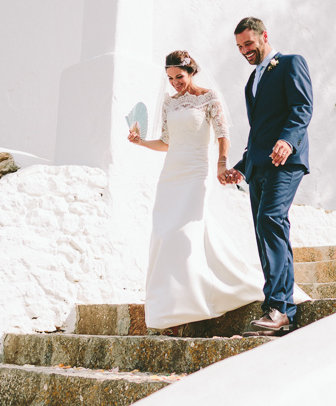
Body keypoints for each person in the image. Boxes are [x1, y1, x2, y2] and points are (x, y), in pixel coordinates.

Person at [127, 50, 265, 331]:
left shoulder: (208, 97)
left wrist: (222, 164)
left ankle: (194, 300)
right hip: (171, 174)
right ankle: (172, 304)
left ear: (192, 72)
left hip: (196, 171)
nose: (175, 82)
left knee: (185, 231)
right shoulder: (169, 103)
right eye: (170, 78)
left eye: (180, 76)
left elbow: (223, 134)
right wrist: (140, 142)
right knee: (165, 233)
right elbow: (166, 142)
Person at [222, 17, 313, 336]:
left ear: (264, 37)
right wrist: (241, 167)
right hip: (258, 166)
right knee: (265, 230)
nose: (244, 50)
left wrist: (288, 140)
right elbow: (258, 131)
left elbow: (302, 108)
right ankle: (280, 309)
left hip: (286, 162)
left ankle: (278, 308)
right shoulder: (251, 82)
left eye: (248, 43)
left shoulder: (290, 64)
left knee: (271, 220)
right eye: (239, 47)